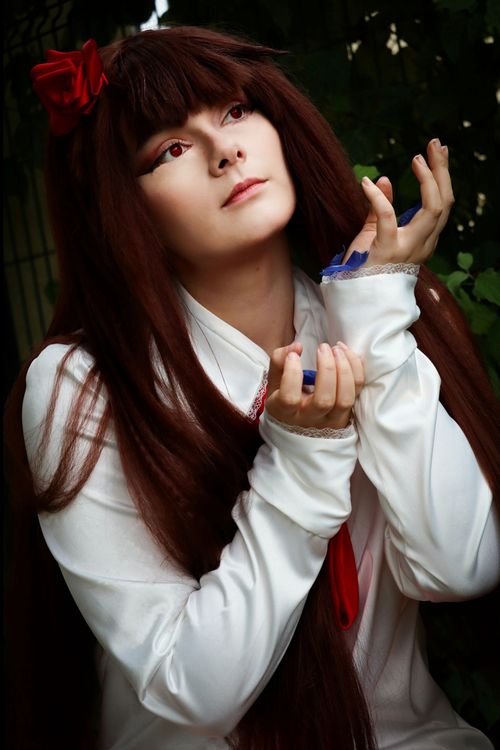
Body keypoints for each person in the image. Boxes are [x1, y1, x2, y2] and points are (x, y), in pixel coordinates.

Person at [4, 26, 500, 750]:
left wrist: (374, 319)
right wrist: (300, 461)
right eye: (170, 149)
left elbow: (460, 565)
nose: (225, 150)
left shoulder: (380, 306)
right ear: (121, 207)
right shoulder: (81, 386)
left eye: (236, 111)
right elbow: (192, 691)